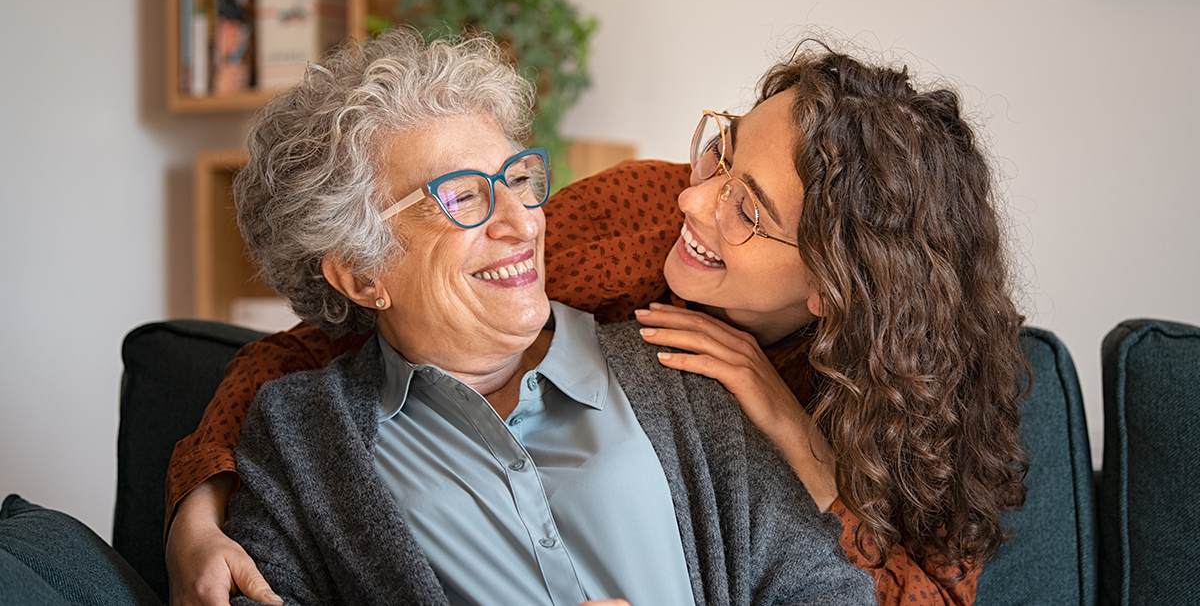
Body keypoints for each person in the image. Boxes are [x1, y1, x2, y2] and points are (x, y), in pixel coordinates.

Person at [165, 36, 1028, 606]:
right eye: (465, 194)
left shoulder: (711, 393)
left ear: (832, 290)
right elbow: (313, 346)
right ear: (358, 269)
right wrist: (194, 509)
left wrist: (798, 441)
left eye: (748, 209)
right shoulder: (641, 229)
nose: (694, 199)